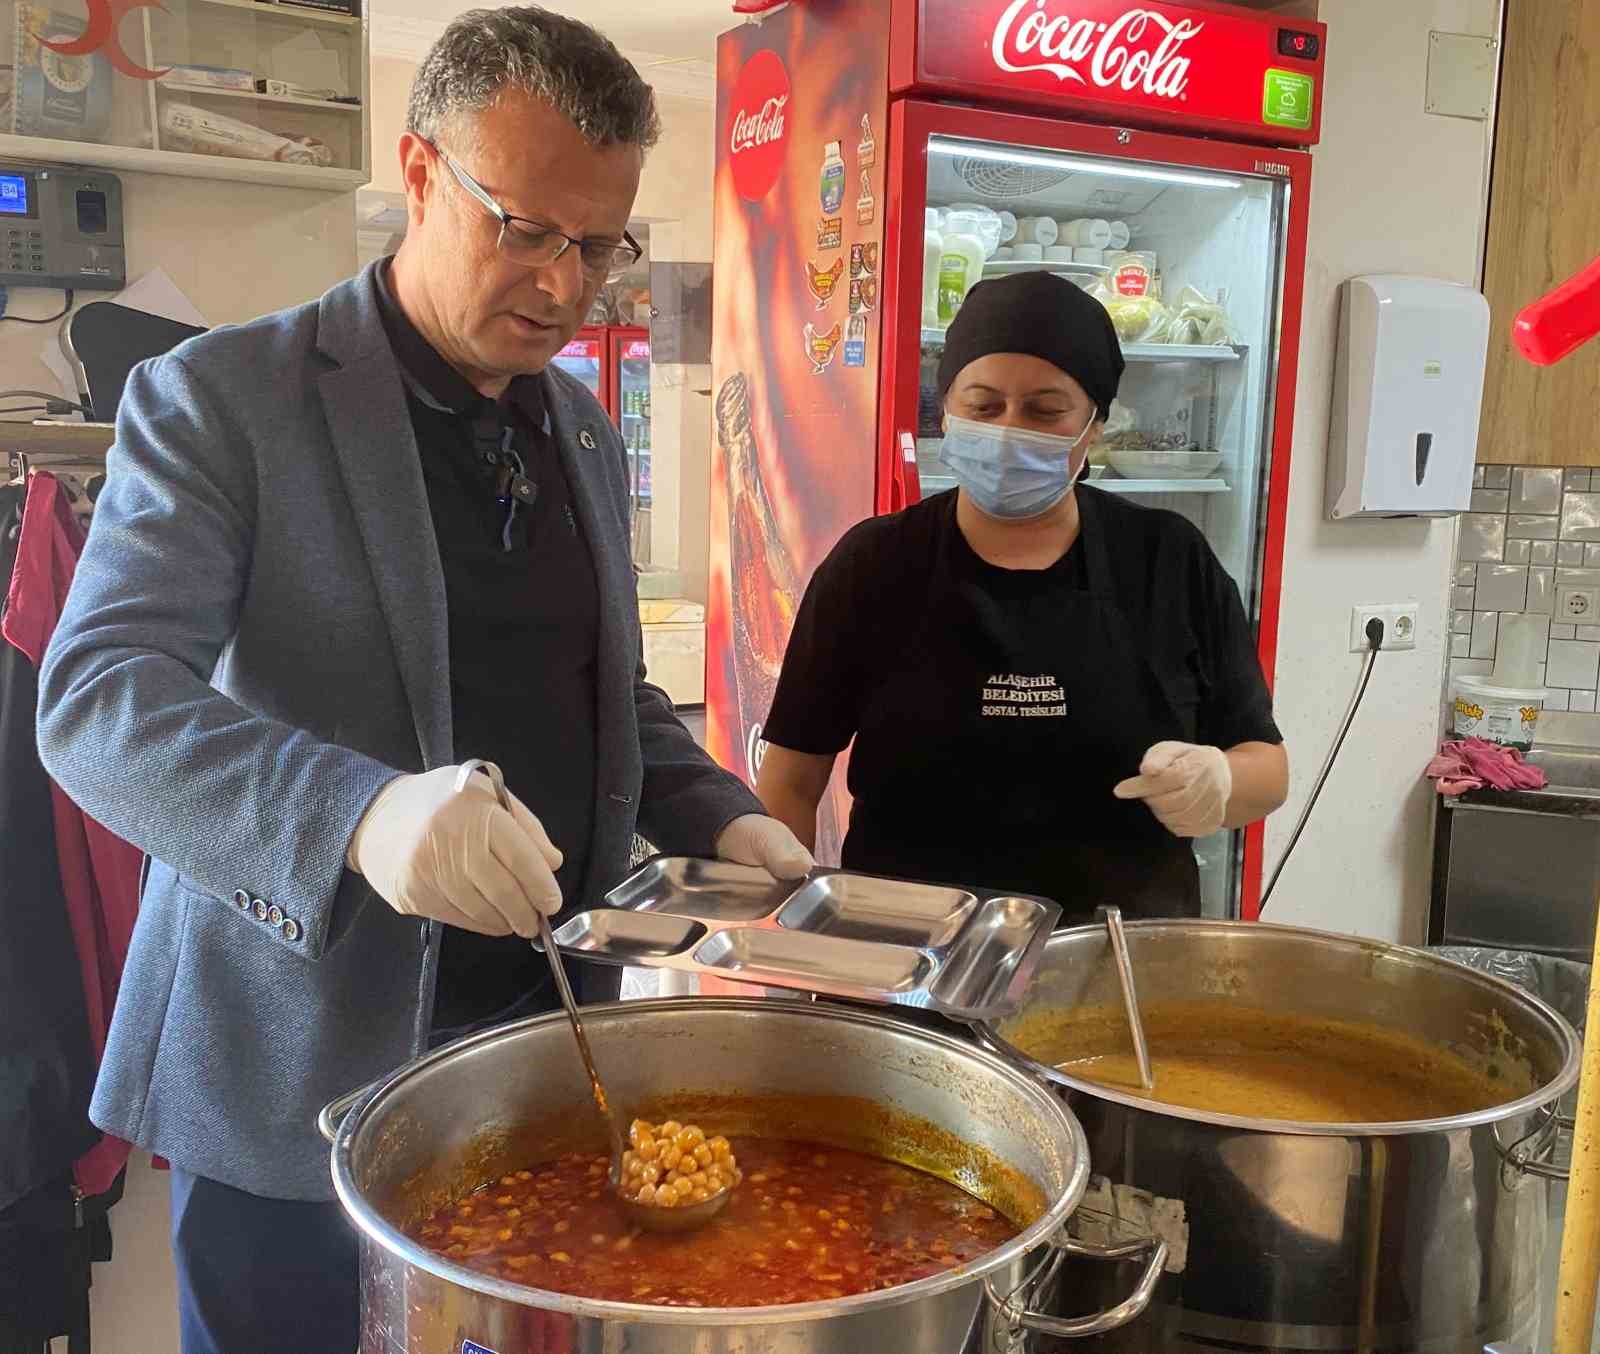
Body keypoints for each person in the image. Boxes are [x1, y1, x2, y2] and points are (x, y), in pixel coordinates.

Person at [35, 9, 811, 1351]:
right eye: (523, 227)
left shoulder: (571, 417)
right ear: (418, 170)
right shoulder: (224, 398)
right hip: (297, 1061)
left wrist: (725, 818)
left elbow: (607, 688)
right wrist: (360, 812)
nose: (565, 286)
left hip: (530, 1043)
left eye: (599, 244)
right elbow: (100, 697)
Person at [756, 271, 1287, 922]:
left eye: (1044, 409)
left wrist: (1222, 782)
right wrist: (784, 925)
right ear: (946, 410)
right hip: (903, 957)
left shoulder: (1169, 560)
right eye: (983, 405)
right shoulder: (874, 564)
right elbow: (790, 777)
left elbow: (1267, 765)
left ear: (1093, 425)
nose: (1009, 430)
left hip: (1118, 960)